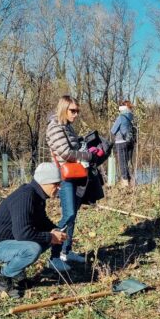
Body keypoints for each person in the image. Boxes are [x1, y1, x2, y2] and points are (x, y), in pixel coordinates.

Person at [0, 163, 68, 298]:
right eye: (56, 184)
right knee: (32, 249)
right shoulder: (25, 196)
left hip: (10, 241)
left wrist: (54, 230)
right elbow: (23, 233)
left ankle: (17, 273)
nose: (59, 187)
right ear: (44, 182)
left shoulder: (38, 196)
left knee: (44, 240)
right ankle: (2, 277)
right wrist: (50, 237)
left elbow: (41, 221)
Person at [45, 95, 104, 271]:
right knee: (68, 214)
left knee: (73, 214)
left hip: (75, 174)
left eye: (78, 111)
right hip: (65, 176)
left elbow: (73, 147)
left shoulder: (67, 126)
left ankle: (66, 251)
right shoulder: (55, 126)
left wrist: (85, 145)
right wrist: (88, 155)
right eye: (73, 110)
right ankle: (54, 257)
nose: (76, 114)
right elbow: (64, 152)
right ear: (63, 109)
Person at [110, 100, 135, 187]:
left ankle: (125, 183)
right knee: (128, 161)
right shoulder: (132, 117)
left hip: (121, 141)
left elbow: (113, 130)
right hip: (131, 141)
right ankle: (131, 180)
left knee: (122, 162)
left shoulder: (121, 117)